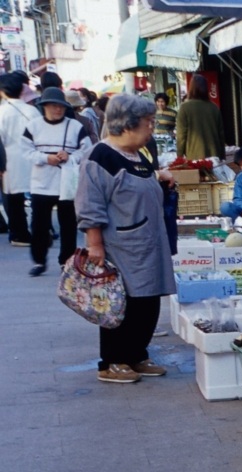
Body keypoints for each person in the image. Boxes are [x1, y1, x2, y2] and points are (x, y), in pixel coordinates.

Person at [76, 95, 176, 384]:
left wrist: (160, 177)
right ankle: (113, 361)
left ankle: (136, 354)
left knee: (147, 302)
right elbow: (89, 204)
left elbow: (137, 182)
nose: (152, 128)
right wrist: (95, 244)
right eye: (149, 122)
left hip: (147, 242)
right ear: (128, 125)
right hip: (121, 245)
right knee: (121, 304)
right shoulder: (100, 157)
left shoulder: (137, 154)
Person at [23, 87, 92, 276]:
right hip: (41, 184)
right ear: (44, 106)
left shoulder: (75, 127)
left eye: (61, 106)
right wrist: (46, 158)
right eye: (53, 106)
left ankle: (66, 261)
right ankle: (39, 260)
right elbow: (26, 151)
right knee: (39, 225)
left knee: (68, 225)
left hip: (67, 184)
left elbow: (86, 150)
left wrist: (70, 156)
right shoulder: (33, 126)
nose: (58, 110)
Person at [0, 74, 36, 246]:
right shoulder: (32, 110)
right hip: (33, 156)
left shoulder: (2, 111)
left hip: (10, 158)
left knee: (13, 198)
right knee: (37, 195)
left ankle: (19, 233)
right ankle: (40, 229)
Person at [175, 74, 224, 160]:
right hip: (214, 155)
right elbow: (221, 134)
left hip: (194, 156)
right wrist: (222, 156)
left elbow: (181, 135)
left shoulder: (185, 107)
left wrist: (179, 156)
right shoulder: (214, 107)